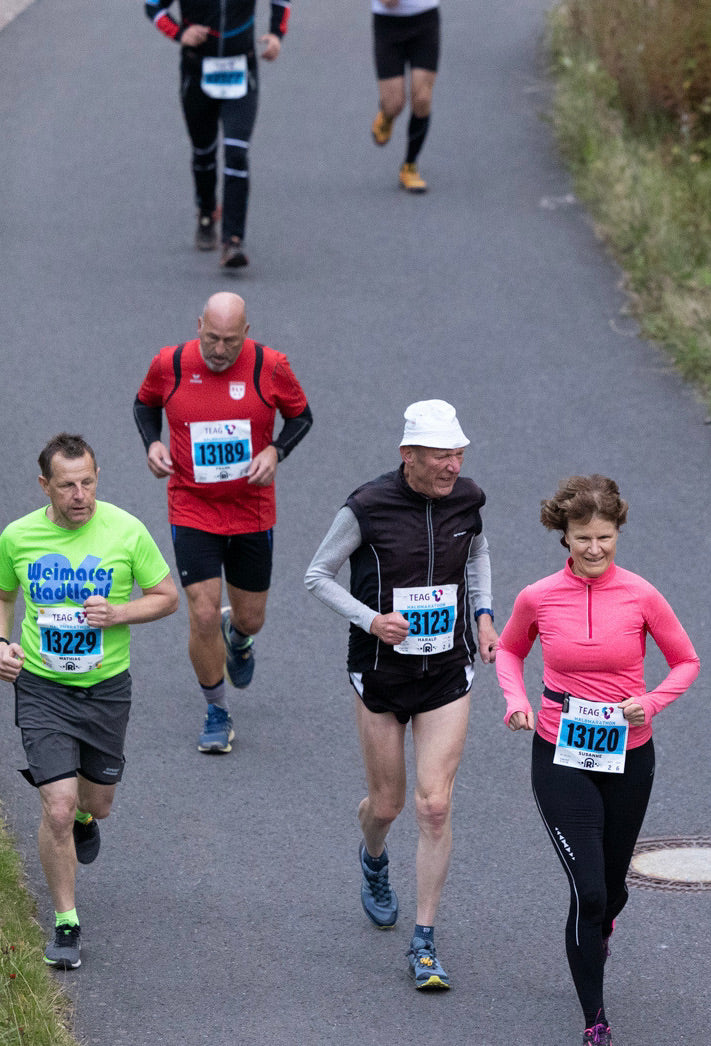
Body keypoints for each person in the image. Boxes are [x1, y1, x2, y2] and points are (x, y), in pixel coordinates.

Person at [495, 474, 700, 1046]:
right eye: (582, 537)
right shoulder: (537, 596)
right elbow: (510, 651)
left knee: (612, 891)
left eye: (605, 537)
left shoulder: (641, 594)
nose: (593, 549)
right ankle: (596, 1019)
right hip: (561, 751)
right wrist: (516, 702)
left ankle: (602, 921)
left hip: (630, 753)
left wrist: (650, 702)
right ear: (563, 536)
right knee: (587, 890)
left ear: (618, 534)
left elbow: (686, 661)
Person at [305, 399, 498, 991]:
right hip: (381, 674)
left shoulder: (469, 499)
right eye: (441, 455)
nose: (452, 466)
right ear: (408, 455)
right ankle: (373, 856)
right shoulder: (367, 506)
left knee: (434, 805)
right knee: (385, 806)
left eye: (458, 454)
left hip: (446, 671)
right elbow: (317, 575)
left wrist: (485, 616)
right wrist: (371, 621)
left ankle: (424, 941)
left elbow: (478, 555)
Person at [0, 433, 178, 970]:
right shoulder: (18, 537)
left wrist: (118, 614)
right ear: (45, 485)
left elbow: (166, 597)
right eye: (66, 485)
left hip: (106, 688)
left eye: (88, 482)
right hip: (43, 687)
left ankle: (87, 824)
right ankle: (66, 922)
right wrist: (0, 645)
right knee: (58, 807)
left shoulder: (126, 530)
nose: (79, 495)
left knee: (96, 804)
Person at [134, 291, 311, 754]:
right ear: (199, 327)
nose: (218, 350)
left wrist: (276, 450)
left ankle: (240, 638)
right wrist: (152, 443)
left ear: (246, 335)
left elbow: (300, 417)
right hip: (192, 504)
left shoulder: (269, 366)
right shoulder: (169, 363)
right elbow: (144, 404)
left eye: (229, 341)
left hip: (251, 508)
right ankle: (216, 711)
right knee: (204, 611)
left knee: (250, 616)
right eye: (211, 338)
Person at [145, 0, 290, 268]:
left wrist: (276, 34)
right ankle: (207, 212)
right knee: (203, 152)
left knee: (236, 152)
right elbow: (153, 6)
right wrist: (179, 34)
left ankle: (233, 241)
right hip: (197, 69)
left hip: (241, 69)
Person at [369, 0, 439, 194]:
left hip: (425, 20)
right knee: (394, 104)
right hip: (388, 26)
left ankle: (410, 165)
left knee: (422, 97)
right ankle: (387, 114)